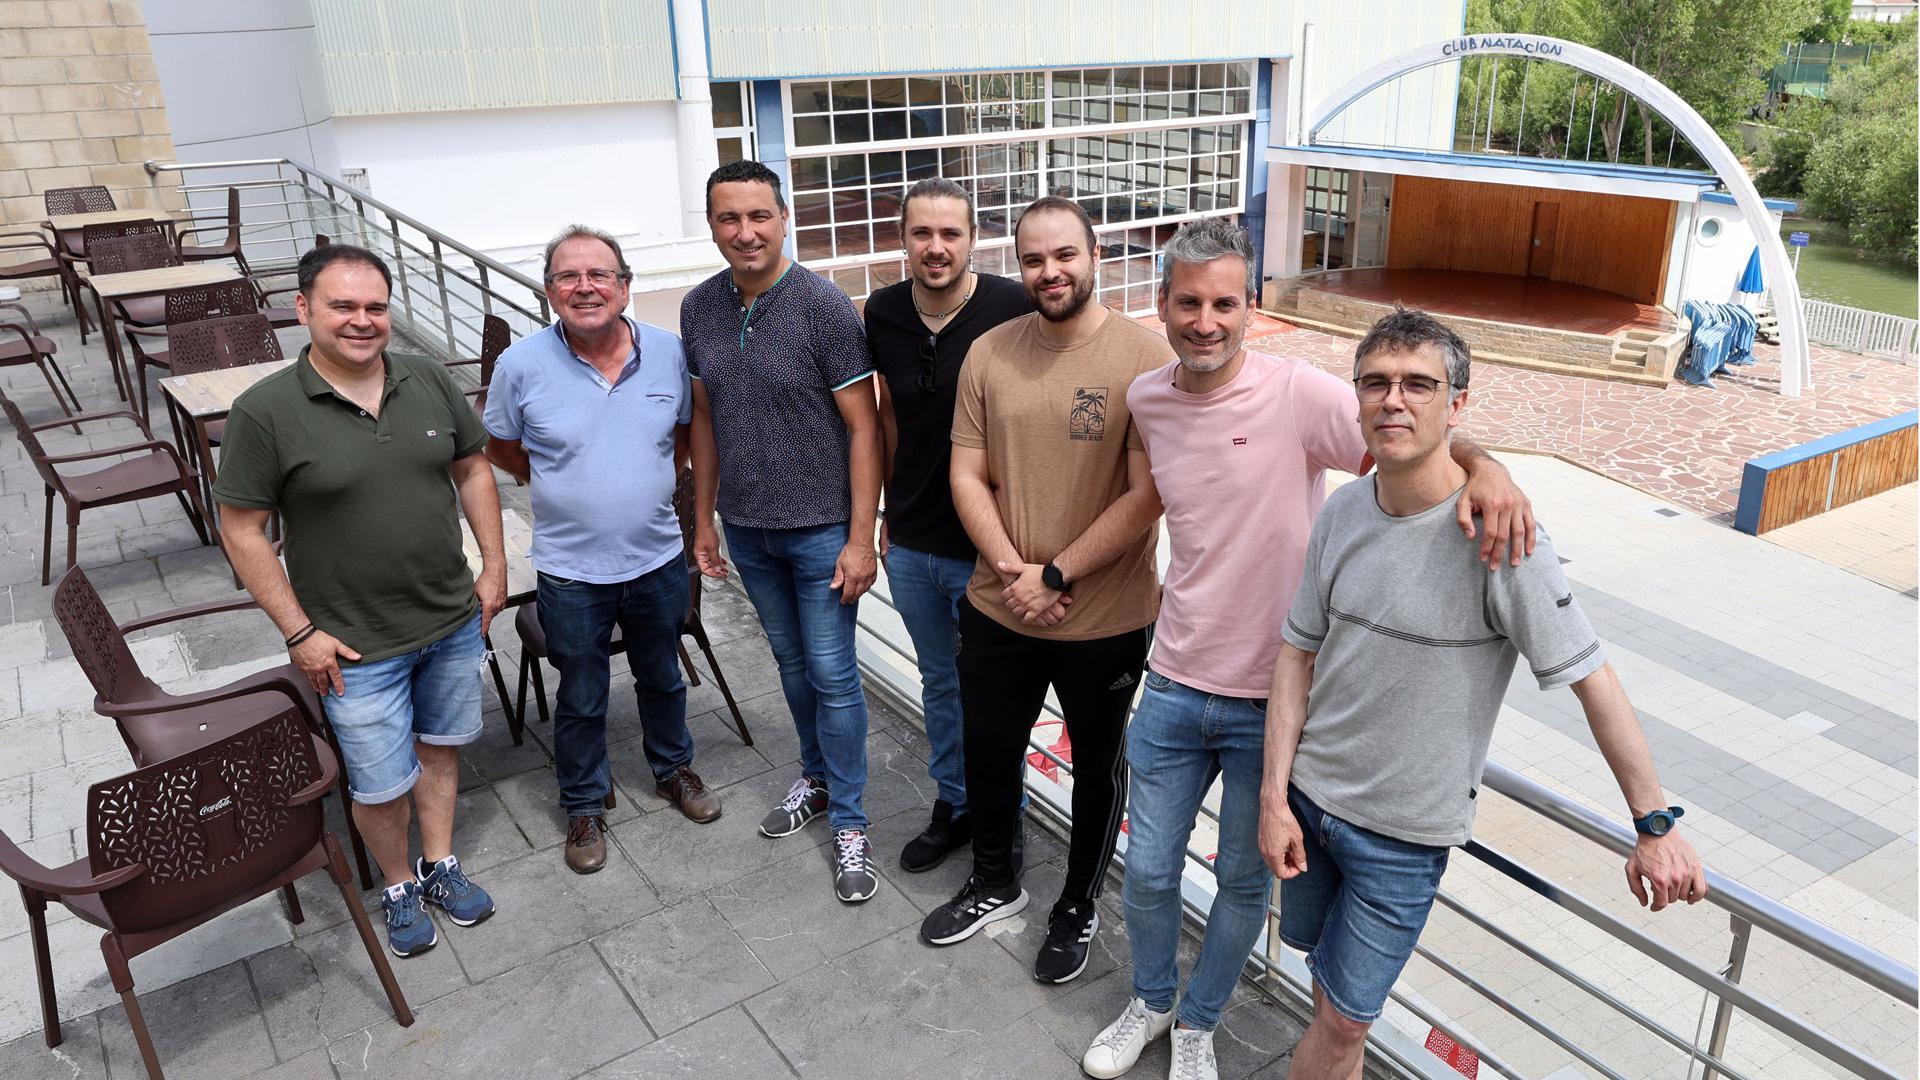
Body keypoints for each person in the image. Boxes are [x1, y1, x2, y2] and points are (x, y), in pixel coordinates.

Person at [1083, 221, 1537, 1080]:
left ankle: (1199, 1023)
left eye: (1225, 302)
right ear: (1162, 305)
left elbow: (1409, 440)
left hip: (1277, 701)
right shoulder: (1148, 400)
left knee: (1245, 887)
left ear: (1250, 307)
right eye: (1189, 303)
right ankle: (1150, 1001)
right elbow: (1164, 501)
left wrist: (1487, 467)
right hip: (1175, 681)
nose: (1206, 320)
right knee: (1144, 871)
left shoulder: (1298, 394)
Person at [1263, 308, 1707, 1080]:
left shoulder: (1500, 538)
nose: (1393, 400)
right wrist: (1274, 798)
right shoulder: (1342, 511)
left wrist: (1654, 821)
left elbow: (1592, 677)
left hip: (1401, 839)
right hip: (1309, 808)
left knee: (1339, 1023)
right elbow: (1297, 655)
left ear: (1457, 405)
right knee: (1329, 996)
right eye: (1375, 383)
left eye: (1418, 385)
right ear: (1356, 398)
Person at [215, 243, 505, 957]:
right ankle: (398, 880)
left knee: (439, 750)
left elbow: (472, 469)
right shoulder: (266, 412)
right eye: (342, 306)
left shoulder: (428, 379)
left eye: (375, 306)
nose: (362, 320)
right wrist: (298, 631)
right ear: (304, 308)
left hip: (448, 616)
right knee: (378, 783)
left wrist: (493, 566)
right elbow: (242, 530)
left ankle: (440, 863)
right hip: (351, 643)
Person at [919, 196, 1166, 984]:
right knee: (990, 751)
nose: (1049, 272)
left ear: (1094, 255)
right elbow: (967, 473)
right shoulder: (990, 353)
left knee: (1099, 768)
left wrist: (1056, 574)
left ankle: (1077, 905)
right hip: (1000, 609)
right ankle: (995, 881)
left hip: (1107, 618)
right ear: (1017, 263)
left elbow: (1146, 495)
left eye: (1064, 255)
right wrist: (1017, 574)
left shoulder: (1144, 359)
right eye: (1033, 259)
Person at [484, 224, 718, 876]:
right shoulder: (520, 365)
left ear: (624, 286)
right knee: (581, 694)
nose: (584, 287)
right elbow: (501, 446)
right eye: (567, 276)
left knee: (662, 677)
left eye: (599, 275)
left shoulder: (671, 353)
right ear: (550, 289)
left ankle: (673, 770)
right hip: (569, 570)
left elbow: (682, 436)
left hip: (656, 560)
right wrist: (560, 480)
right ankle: (584, 804)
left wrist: (637, 480)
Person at [681, 159, 885, 903]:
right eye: (729, 218)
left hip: (822, 532)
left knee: (832, 676)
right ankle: (818, 778)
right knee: (792, 667)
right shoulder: (700, 308)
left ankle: (853, 823)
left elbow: (865, 430)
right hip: (749, 530)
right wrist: (702, 518)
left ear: (784, 218)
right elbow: (704, 418)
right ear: (712, 226)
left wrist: (861, 538)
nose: (745, 231)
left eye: (758, 215)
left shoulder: (824, 308)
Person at [865, 177, 1031, 872]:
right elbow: (887, 418)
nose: (936, 248)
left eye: (950, 234)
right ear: (903, 240)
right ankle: (955, 804)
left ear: (973, 239)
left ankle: (1004, 821)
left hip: (988, 547)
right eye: (921, 234)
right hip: (911, 540)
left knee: (994, 694)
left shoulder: (1013, 306)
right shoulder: (881, 312)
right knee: (940, 682)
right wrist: (883, 512)